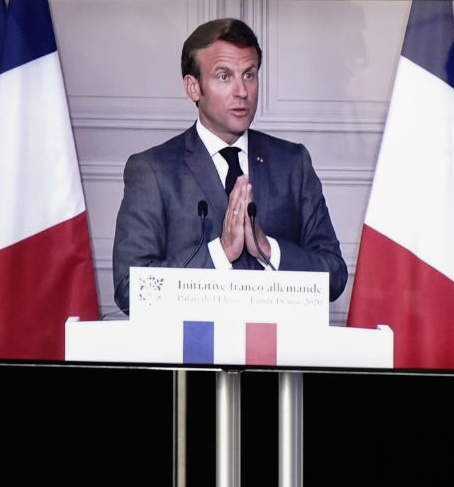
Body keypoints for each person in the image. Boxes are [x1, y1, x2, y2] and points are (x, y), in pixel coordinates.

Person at [112, 18, 347, 314]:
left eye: (249, 75)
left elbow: (335, 275)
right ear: (193, 87)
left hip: (276, 352)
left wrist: (268, 248)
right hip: (191, 354)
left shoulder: (292, 163)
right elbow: (130, 288)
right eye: (224, 77)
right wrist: (220, 253)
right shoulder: (152, 170)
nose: (242, 92)